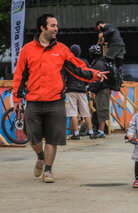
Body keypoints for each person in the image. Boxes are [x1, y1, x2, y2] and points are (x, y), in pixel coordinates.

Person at [12, 13, 108, 183]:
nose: (56, 29)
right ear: (43, 28)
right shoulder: (27, 49)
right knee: (32, 137)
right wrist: (17, 99)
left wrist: (94, 74)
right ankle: (40, 156)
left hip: (56, 101)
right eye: (53, 26)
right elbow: (19, 75)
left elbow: (78, 67)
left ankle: (48, 171)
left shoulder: (62, 49)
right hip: (33, 101)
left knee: (53, 138)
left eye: (56, 25)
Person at [66, 44, 96, 140]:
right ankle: (91, 133)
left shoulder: (68, 62)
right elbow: (88, 74)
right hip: (82, 89)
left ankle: (76, 134)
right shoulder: (84, 61)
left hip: (70, 90)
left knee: (73, 113)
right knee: (85, 112)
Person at [88, 45, 112, 138]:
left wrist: (91, 89)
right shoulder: (100, 62)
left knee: (102, 110)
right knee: (100, 109)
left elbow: (98, 80)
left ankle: (101, 131)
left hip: (102, 90)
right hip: (102, 90)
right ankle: (100, 130)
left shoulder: (99, 64)